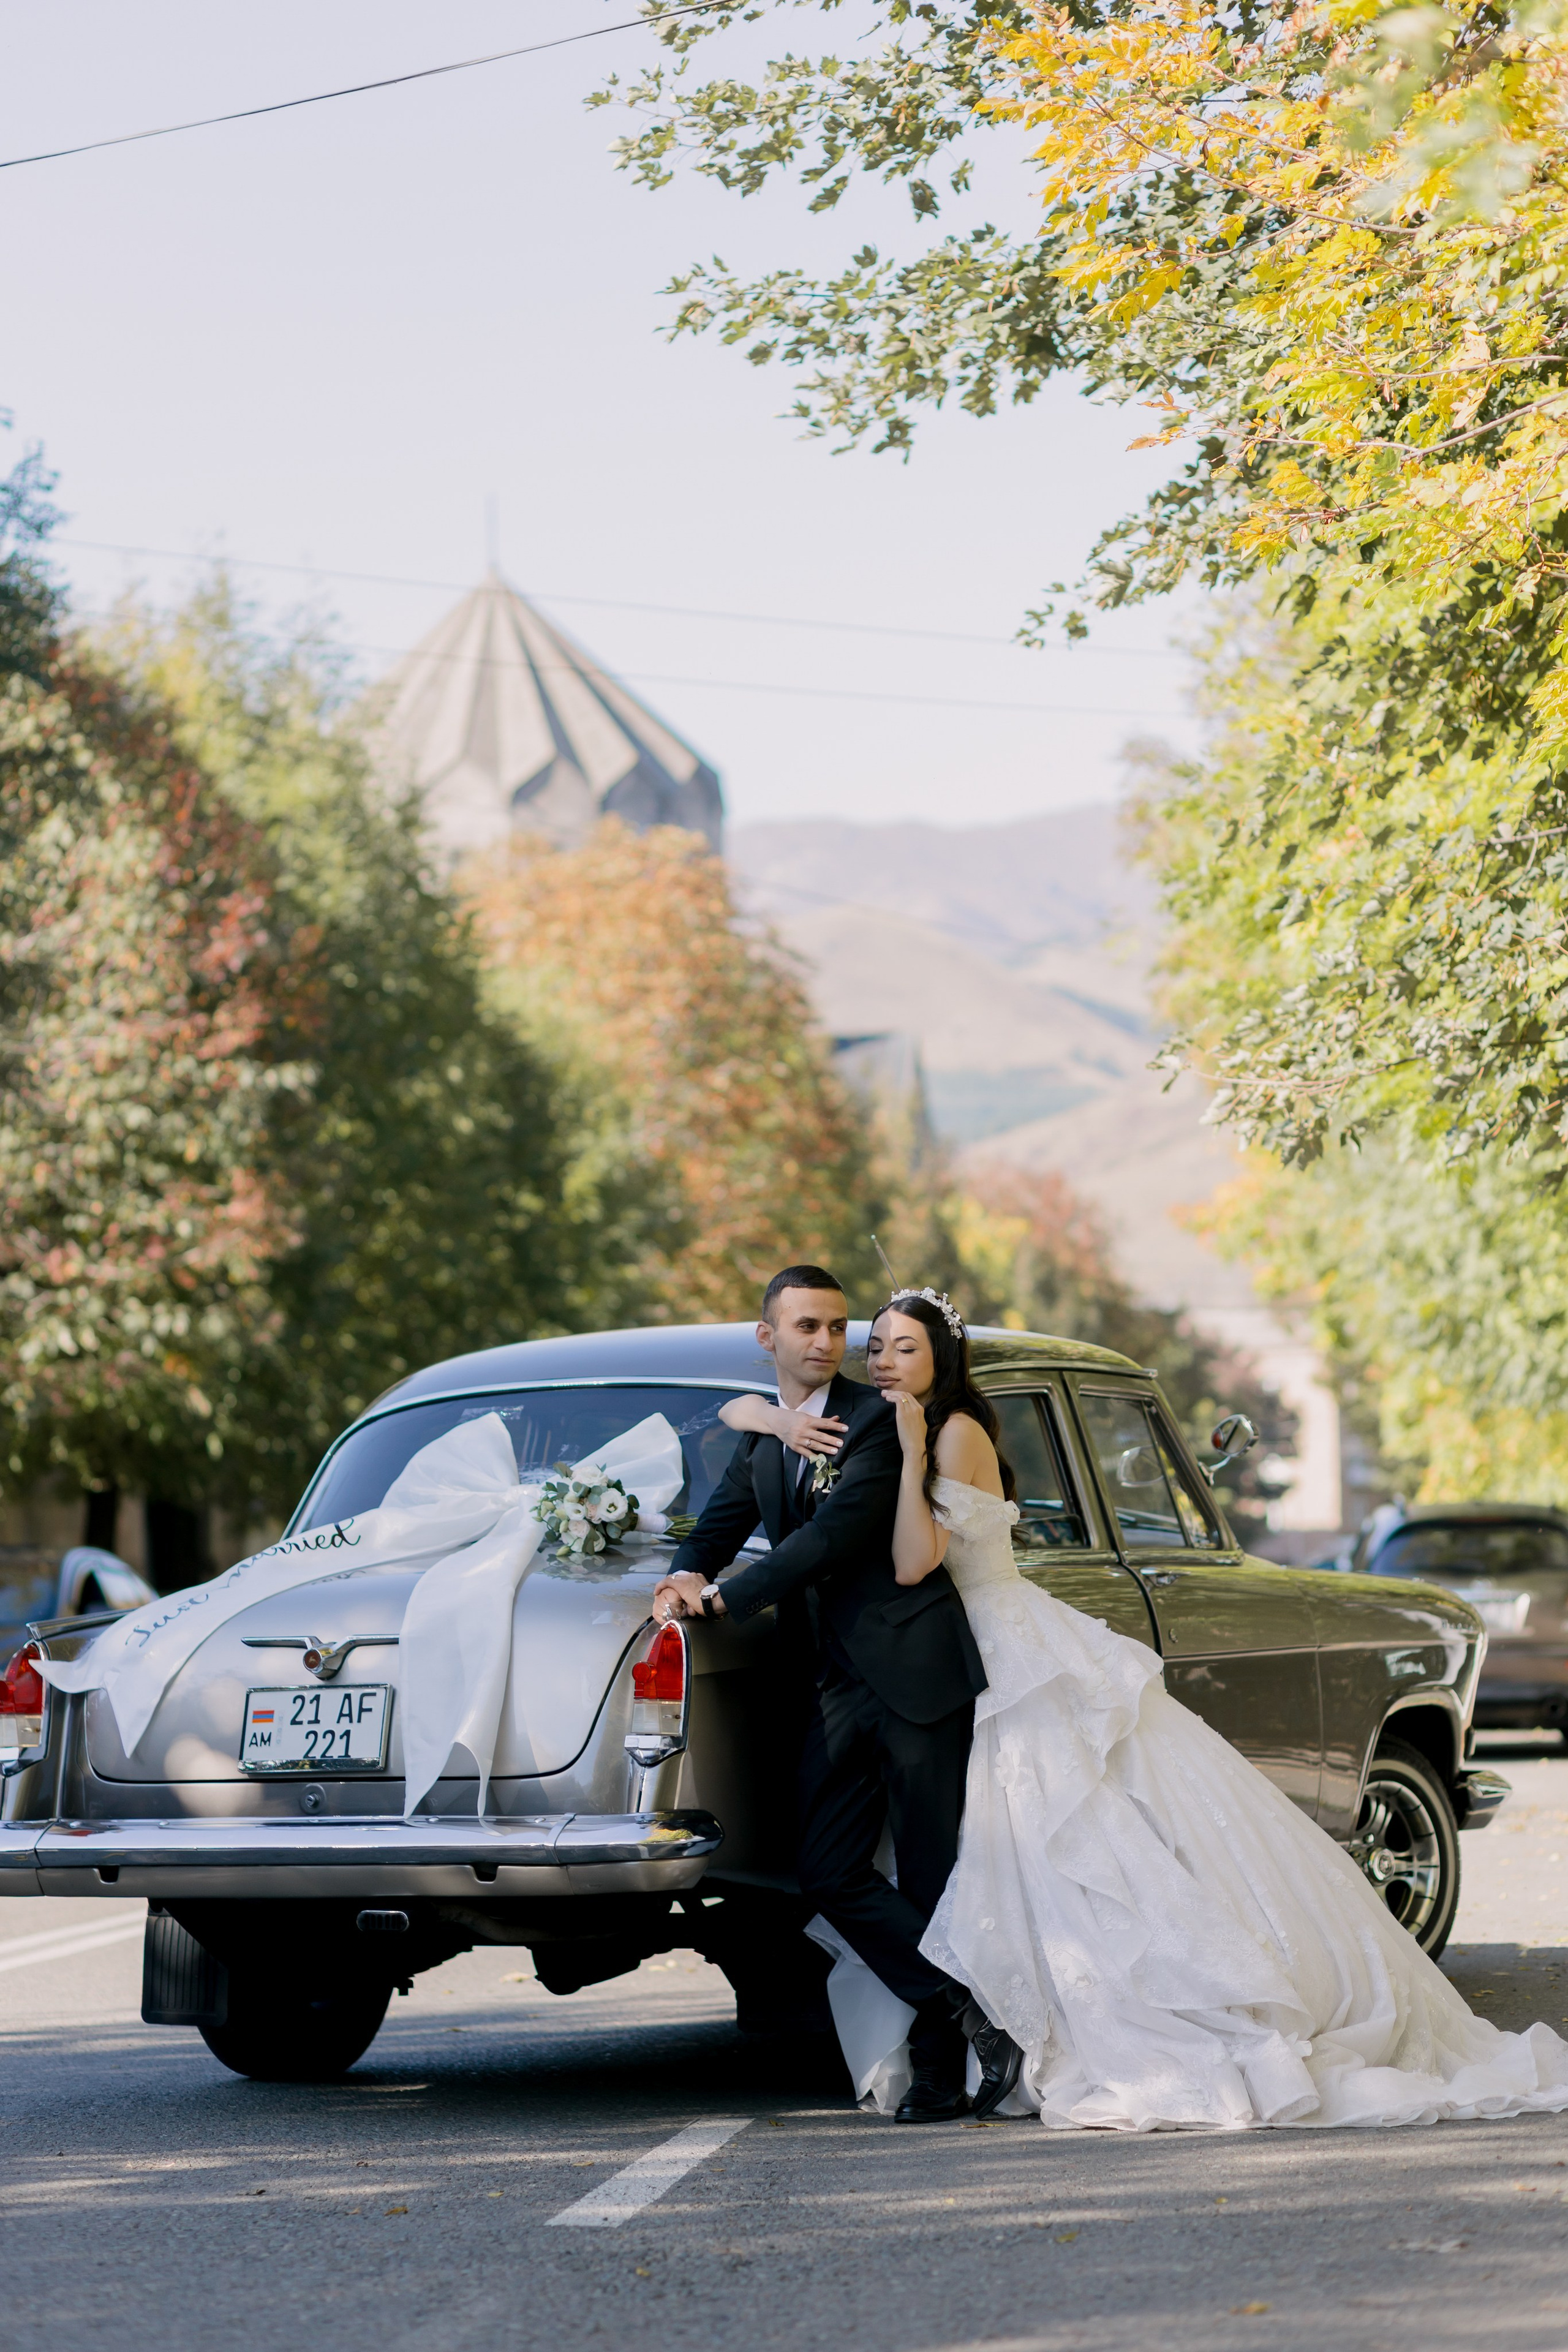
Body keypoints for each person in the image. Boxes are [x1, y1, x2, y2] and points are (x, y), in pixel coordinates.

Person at [861, 1287, 1568, 2131]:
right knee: (1032, 1840)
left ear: (942, 1357)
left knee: (1074, 1840)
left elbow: (913, 1561)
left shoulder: (954, 1432)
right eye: (876, 1346)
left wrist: (907, 1455)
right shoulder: (907, 1428)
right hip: (976, 1649)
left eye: (903, 1346)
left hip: (1001, 1644)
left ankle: (1089, 2017)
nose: (882, 1360)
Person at [652, 1264, 1017, 2121]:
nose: (826, 1343)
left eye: (837, 1327)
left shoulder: (881, 1421)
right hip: (831, 1684)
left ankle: (939, 2074)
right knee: (826, 1870)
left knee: (929, 1871)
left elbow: (827, 1540)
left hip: (915, 1672)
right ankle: (956, 2004)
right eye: (807, 1326)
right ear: (767, 1337)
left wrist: (727, 1597)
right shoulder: (768, 1435)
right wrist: (681, 1575)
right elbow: (719, 1523)